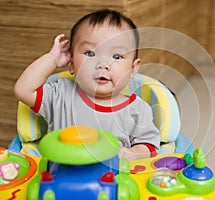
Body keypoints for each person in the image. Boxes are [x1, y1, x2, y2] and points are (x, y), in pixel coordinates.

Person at [14, 9, 160, 160]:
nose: (103, 64)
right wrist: (51, 60)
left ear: (133, 68)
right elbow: (23, 90)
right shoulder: (60, 94)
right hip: (61, 177)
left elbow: (149, 146)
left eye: (117, 56)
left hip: (113, 180)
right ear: (72, 63)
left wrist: (133, 153)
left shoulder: (137, 110)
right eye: (90, 53)